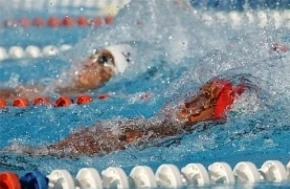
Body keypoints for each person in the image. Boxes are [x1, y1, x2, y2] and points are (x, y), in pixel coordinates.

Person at [14, 73, 259, 158]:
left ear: (214, 110)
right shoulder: (174, 125)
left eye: (204, 96)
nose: (191, 99)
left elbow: (129, 139)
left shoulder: (177, 130)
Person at [0, 44, 132, 102]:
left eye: (103, 60)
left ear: (111, 75)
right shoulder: (53, 88)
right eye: (94, 54)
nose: (91, 61)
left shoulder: (82, 99)